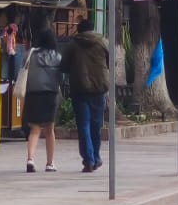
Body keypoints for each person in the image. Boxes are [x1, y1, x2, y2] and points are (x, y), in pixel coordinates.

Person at [61, 19, 110, 174]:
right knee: (96, 125)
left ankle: (88, 160)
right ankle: (95, 157)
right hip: (99, 88)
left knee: (83, 125)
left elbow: (63, 66)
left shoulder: (72, 45)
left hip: (79, 89)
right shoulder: (103, 42)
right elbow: (111, 62)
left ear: (79, 30)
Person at [19, 29, 64, 173]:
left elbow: (22, 69)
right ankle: (50, 163)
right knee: (50, 130)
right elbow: (61, 78)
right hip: (50, 95)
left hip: (33, 94)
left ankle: (30, 159)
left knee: (35, 129)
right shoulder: (58, 57)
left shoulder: (30, 55)